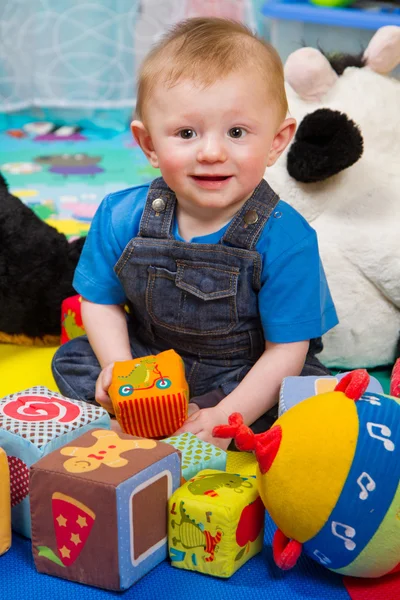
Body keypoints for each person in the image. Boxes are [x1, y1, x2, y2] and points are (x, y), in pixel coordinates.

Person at [52, 17, 338, 449]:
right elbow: (100, 301)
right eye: (186, 133)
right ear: (149, 145)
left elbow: (286, 351)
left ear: (278, 140)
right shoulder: (119, 214)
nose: (211, 152)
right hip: (150, 357)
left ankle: (207, 428)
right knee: (73, 360)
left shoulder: (286, 238)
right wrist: (122, 372)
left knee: (305, 401)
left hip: (242, 373)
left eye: (237, 132)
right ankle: (142, 421)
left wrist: (227, 415)